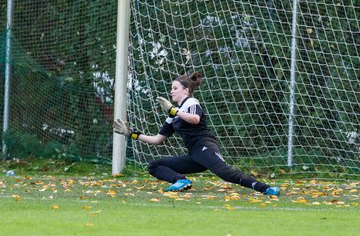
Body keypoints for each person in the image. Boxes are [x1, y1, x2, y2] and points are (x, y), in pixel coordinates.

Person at [113, 72, 280, 196]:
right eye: (171, 89)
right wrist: (131, 134)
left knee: (226, 173)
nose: (171, 92)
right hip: (194, 155)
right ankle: (181, 181)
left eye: (175, 88)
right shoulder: (175, 114)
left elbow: (194, 119)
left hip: (204, 147)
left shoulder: (191, 102)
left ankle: (266, 189)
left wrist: (173, 109)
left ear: (186, 90)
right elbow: (158, 139)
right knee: (154, 165)